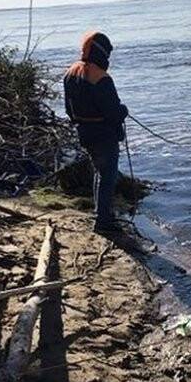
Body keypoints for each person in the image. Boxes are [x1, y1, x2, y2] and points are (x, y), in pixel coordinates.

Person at [63, 32, 128, 233]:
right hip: (103, 134)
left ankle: (101, 214)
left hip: (84, 132)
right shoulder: (101, 78)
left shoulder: (71, 72)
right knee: (107, 177)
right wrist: (124, 111)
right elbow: (113, 113)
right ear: (101, 52)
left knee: (99, 173)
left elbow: (68, 109)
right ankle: (103, 221)